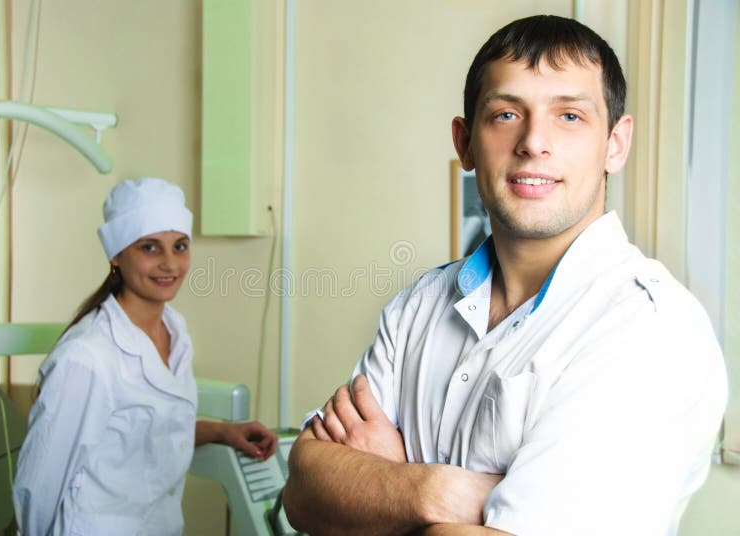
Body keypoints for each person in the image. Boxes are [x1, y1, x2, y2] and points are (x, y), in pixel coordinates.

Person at [282, 14, 727, 536]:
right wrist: (440, 492)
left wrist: (384, 487)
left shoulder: (650, 330)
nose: (534, 142)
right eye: (506, 114)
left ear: (615, 143)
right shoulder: (419, 305)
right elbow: (304, 491)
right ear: (465, 142)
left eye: (569, 116)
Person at [12, 178, 278, 535]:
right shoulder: (87, 356)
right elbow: (38, 483)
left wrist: (223, 431)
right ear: (117, 255)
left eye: (180, 246)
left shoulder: (175, 331)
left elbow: (145, 429)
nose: (170, 263)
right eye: (150, 248)